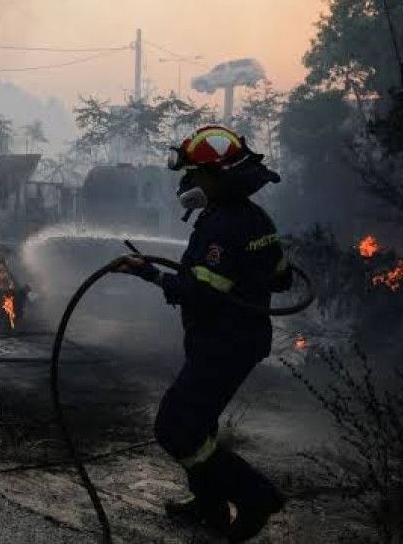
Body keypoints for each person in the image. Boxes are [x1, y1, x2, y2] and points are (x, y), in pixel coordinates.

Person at [117, 125, 292, 542]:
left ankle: (255, 497)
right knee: (201, 424)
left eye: (193, 173)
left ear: (216, 176)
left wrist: (150, 274)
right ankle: (209, 506)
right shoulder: (251, 218)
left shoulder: (224, 225)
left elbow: (200, 293)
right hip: (232, 338)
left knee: (176, 427)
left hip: (225, 342)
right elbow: (282, 279)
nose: (187, 181)